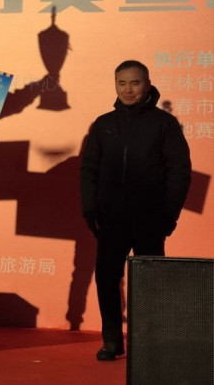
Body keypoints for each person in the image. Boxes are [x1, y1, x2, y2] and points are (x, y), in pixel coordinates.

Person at [80, 60, 191, 361]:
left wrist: (168, 216)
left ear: (147, 84)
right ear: (115, 85)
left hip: (150, 219)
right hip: (110, 219)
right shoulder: (103, 124)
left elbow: (179, 172)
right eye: (122, 83)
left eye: (135, 83)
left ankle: (149, 342)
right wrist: (91, 210)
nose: (128, 90)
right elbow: (89, 170)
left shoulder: (164, 124)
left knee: (151, 282)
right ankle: (111, 341)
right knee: (106, 278)